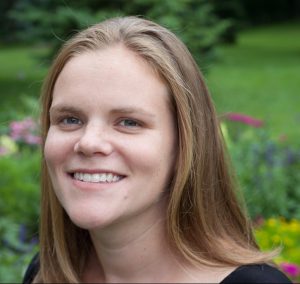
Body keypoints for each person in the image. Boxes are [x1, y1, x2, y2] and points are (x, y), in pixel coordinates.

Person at [23, 16, 291, 283]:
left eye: (129, 122)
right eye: (70, 119)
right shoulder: (45, 274)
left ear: (185, 144)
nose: (89, 142)